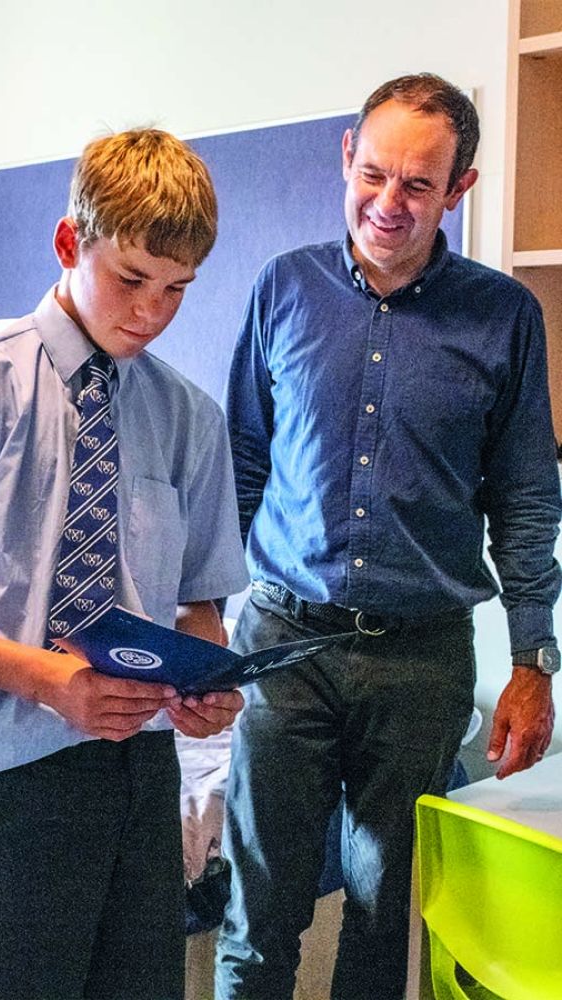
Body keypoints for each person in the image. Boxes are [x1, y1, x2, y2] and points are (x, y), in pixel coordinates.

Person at [0, 127, 249, 1000]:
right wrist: (46, 681)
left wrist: (204, 677)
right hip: (2, 774)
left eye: (179, 290)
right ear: (70, 244)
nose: (152, 312)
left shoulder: (187, 415)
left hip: (140, 769)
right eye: (132, 280)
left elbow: (196, 603)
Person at [217, 73, 561, 1000]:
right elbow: (241, 463)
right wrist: (207, 618)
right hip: (285, 646)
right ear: (346, 157)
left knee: (384, 924)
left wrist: (534, 662)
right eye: (373, 174)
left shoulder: (504, 318)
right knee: (259, 921)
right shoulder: (283, 287)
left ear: (461, 189)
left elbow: (527, 498)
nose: (389, 204)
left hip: (422, 662)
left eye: (418, 185)